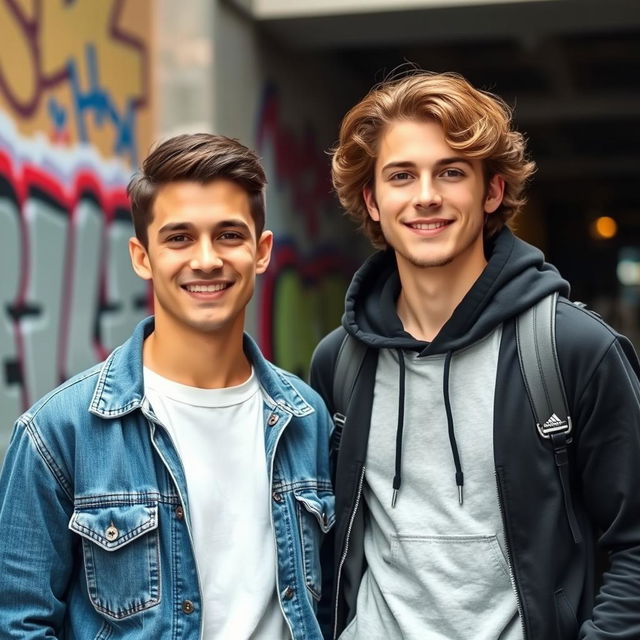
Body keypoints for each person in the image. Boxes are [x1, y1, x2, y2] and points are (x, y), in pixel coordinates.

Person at [310, 71, 640, 640]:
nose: (426, 196)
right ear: (373, 199)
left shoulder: (574, 351)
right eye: (401, 176)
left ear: (490, 191)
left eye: (451, 172)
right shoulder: (341, 361)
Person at [0, 133, 334, 639]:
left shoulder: (307, 416)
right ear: (142, 256)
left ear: (261, 251)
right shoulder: (59, 432)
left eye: (228, 235)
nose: (205, 259)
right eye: (179, 238)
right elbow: (18, 624)